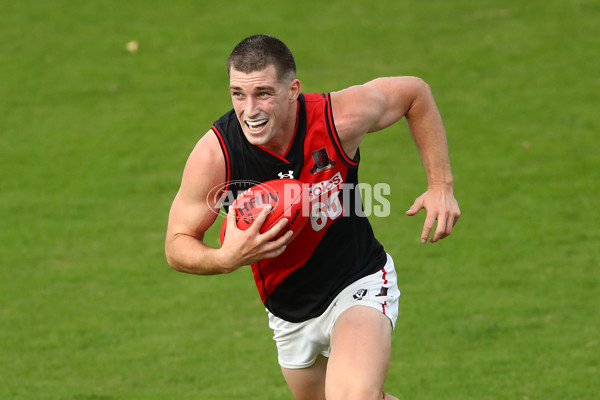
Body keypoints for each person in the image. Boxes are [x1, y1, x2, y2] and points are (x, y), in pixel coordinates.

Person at [165, 34, 460, 400]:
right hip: (289, 311)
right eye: (238, 94)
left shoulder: (338, 118)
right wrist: (225, 258)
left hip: (357, 280)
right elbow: (177, 245)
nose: (250, 110)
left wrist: (441, 186)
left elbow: (415, 93)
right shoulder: (216, 155)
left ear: (293, 89)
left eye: (263, 93)